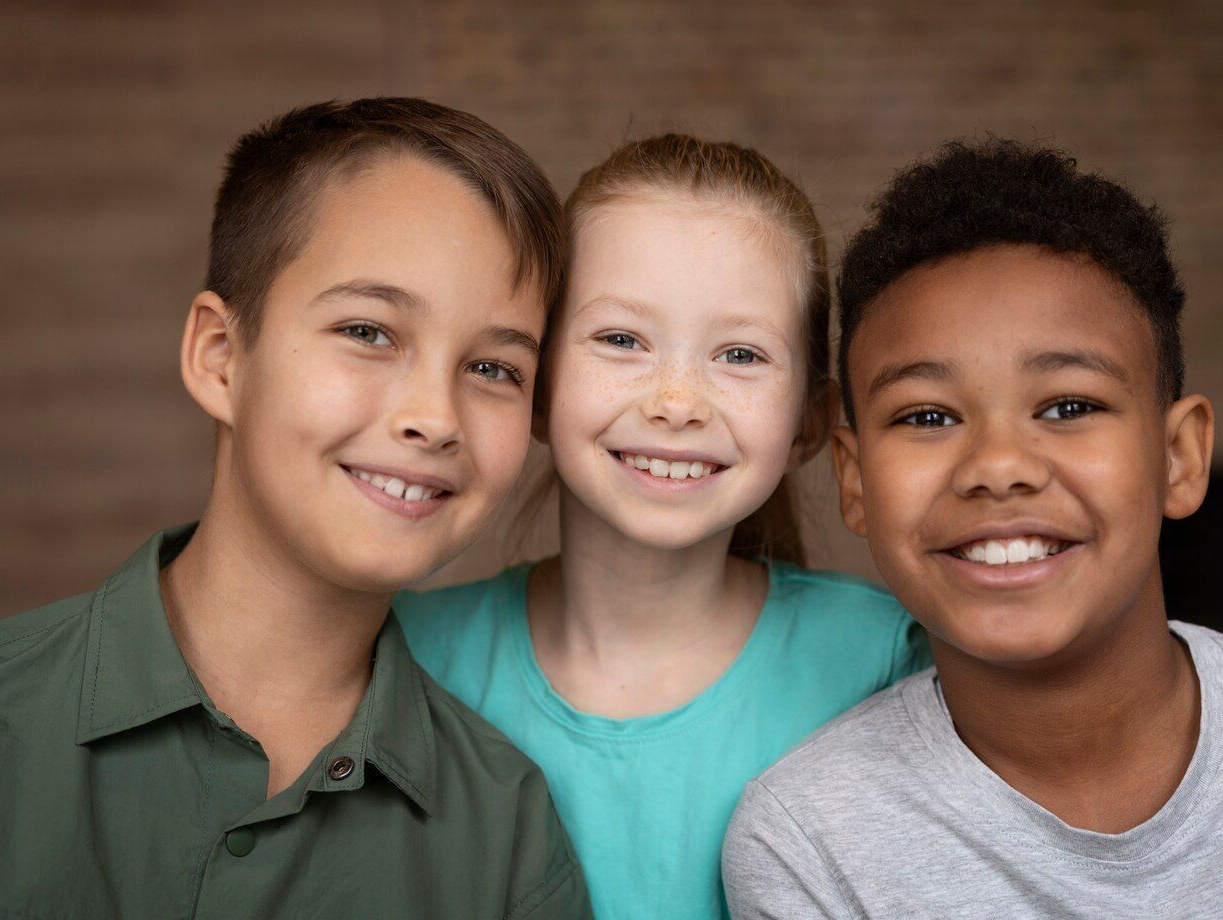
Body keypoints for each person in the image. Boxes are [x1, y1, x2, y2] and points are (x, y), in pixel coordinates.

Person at [722, 139, 1223, 919]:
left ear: (1179, 456)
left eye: (1068, 407)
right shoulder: (810, 844)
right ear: (854, 482)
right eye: (928, 416)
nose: (998, 465)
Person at [0, 98, 590, 919]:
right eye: (369, 332)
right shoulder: (4, 723)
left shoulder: (506, 828)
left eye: (494, 370)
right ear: (221, 358)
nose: (437, 418)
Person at [396, 134, 931, 919]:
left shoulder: (885, 662)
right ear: (537, 388)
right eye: (621, 340)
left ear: (809, 424)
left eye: (741, 354)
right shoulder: (408, 658)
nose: (676, 401)